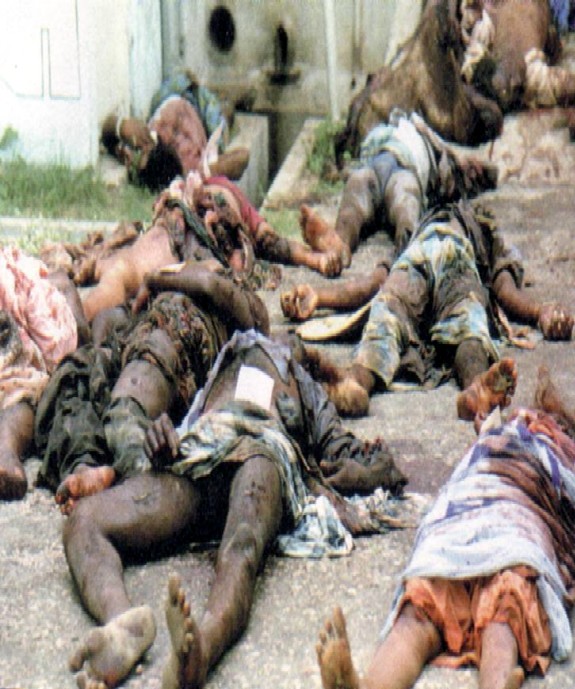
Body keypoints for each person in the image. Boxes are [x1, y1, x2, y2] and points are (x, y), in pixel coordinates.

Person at [62, 330, 407, 689]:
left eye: (293, 340)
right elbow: (165, 421)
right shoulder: (221, 364)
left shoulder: (305, 387)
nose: (281, 337)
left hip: (262, 449)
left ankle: (201, 650)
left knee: (242, 546)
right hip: (201, 452)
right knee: (85, 519)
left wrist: (334, 470)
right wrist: (161, 438)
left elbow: (351, 454)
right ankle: (121, 624)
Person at [316, 363, 575, 689]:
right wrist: (487, 404)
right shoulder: (495, 433)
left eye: (554, 423)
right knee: (423, 602)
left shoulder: (562, 453)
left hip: (516, 511)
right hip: (464, 510)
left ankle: (497, 682)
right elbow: (471, 409)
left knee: (505, 601)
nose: (534, 421)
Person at [298, 201, 573, 420]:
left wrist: (320, 297)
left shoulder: (420, 232)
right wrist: (540, 312)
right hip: (454, 258)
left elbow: (372, 285)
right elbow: (505, 290)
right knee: (466, 320)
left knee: (389, 312)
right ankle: (474, 384)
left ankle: (358, 379)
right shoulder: (480, 229)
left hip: (420, 258)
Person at [35, 259, 270, 514]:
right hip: (134, 345)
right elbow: (112, 318)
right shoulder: (186, 274)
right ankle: (86, 465)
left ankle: (139, 472)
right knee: (75, 376)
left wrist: (152, 279)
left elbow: (210, 285)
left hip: (172, 347)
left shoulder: (241, 299)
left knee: (126, 410)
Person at [298, 109, 498, 274]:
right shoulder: (429, 135)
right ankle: (338, 247)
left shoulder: (447, 168)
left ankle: (402, 256)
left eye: (476, 174)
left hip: (402, 171)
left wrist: (460, 168)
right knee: (356, 195)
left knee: (404, 208)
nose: (473, 170)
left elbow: (450, 183)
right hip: (374, 167)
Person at [0, 246, 89, 500]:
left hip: (14, 362)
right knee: (23, 391)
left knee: (22, 393)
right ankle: (5, 450)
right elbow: (73, 340)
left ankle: (5, 451)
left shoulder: (43, 281)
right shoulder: (42, 279)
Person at [101, 70, 250, 190]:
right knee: (222, 113)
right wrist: (207, 171)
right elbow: (242, 157)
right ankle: (228, 105)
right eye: (178, 138)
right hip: (203, 115)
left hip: (171, 95)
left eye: (173, 129)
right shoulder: (193, 166)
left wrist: (121, 126)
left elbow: (107, 127)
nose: (177, 137)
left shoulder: (148, 138)